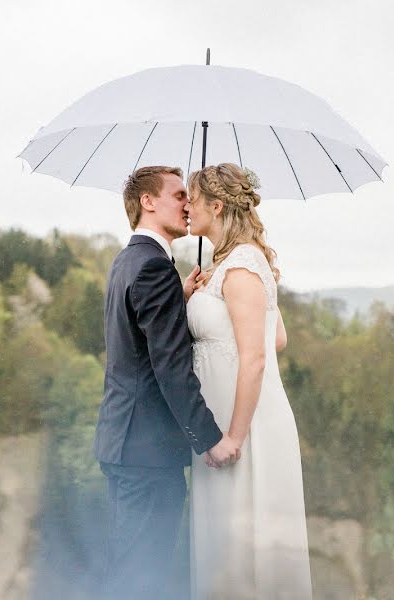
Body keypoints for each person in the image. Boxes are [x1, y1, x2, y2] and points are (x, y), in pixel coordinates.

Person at [93, 165, 241, 599]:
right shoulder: (154, 268)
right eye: (179, 195)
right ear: (148, 202)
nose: (188, 204)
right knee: (143, 575)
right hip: (148, 450)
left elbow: (136, 344)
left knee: (128, 566)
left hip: (123, 441)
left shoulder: (129, 261)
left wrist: (179, 300)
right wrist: (211, 439)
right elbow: (170, 366)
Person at [186, 163, 313, 599]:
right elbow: (277, 336)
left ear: (216, 207)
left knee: (242, 550)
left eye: (194, 199)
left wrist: (235, 436)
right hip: (225, 419)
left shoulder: (240, 266)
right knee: (228, 543)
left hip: (243, 428)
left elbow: (257, 357)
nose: (187, 207)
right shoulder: (228, 265)